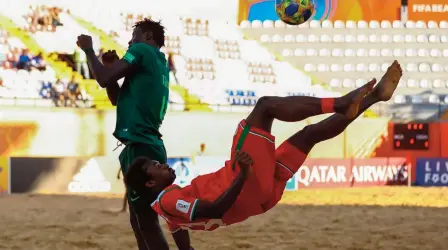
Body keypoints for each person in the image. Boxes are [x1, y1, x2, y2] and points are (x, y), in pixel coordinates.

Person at [124, 61, 403, 232]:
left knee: (309, 136)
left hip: (261, 200)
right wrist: (243, 175)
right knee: (265, 106)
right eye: (156, 167)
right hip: (245, 183)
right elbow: (212, 211)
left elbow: (181, 233)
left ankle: (376, 96)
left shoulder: (170, 213)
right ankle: (339, 103)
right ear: (150, 184)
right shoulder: (170, 201)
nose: (163, 164)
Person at [76, 18, 192, 250]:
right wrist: (109, 66)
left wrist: (89, 50)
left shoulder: (141, 51)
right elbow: (117, 99)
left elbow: (102, 78)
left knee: (146, 220)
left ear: (148, 37)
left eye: (134, 36)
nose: (130, 42)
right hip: (145, 142)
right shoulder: (157, 62)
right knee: (141, 216)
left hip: (141, 144)